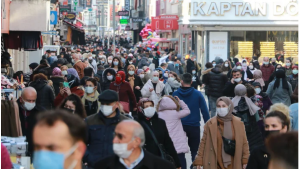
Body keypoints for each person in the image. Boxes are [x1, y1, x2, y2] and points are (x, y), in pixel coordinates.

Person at [193, 97, 249, 169]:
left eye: (223, 106)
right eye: (218, 106)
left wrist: (245, 160)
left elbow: (244, 143)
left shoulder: (238, 123)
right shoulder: (210, 124)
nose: (221, 108)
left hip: (233, 163)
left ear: (229, 107)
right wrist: (199, 160)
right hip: (215, 162)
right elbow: (203, 142)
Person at [94, 120, 176, 169]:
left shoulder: (162, 167)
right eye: (114, 135)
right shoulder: (101, 166)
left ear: (137, 141)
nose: (114, 140)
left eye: (120, 136)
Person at [83, 90, 128, 168]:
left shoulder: (126, 123)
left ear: (116, 104)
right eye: (102, 104)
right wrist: (89, 158)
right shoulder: (90, 121)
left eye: (108, 104)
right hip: (94, 165)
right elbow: (80, 143)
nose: (104, 106)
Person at [172, 73, 209, 168]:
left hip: (180, 125)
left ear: (181, 81)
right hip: (194, 125)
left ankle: (182, 167)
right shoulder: (198, 94)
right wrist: (207, 123)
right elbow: (204, 110)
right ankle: (194, 166)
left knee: (180, 150)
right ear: (191, 82)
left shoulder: (175, 94)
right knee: (194, 149)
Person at [136, 98, 181, 168]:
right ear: (141, 109)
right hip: (144, 161)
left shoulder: (160, 122)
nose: (149, 108)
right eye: (146, 106)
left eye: (151, 105)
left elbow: (168, 143)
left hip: (160, 159)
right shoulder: (136, 124)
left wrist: (177, 162)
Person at [157, 96, 190, 169]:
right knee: (181, 163)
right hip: (178, 145)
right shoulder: (176, 113)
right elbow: (187, 111)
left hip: (167, 145)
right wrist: (181, 102)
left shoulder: (158, 115)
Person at [231, 84, 264, 153]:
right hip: (252, 132)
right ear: (245, 92)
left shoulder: (231, 103)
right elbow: (257, 118)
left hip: (237, 133)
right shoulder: (250, 102)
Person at [17, 87, 45, 159]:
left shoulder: (41, 112)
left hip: (34, 151)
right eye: (28, 100)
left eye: (33, 101)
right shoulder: (13, 110)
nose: (31, 103)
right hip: (17, 148)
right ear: (21, 99)